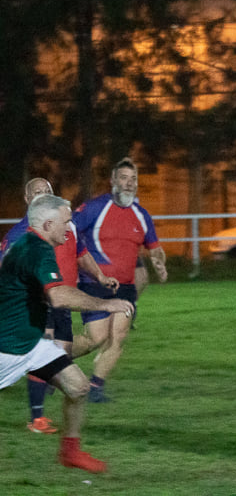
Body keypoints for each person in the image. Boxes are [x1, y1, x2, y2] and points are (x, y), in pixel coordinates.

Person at [0, 194, 135, 472]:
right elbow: (59, 296)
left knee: (78, 387)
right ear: (48, 224)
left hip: (32, 344)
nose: (70, 228)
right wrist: (106, 304)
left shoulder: (30, 244)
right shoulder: (36, 249)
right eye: (66, 222)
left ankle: (70, 452)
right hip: (8, 349)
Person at [73, 158, 168, 402]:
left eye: (133, 179)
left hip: (125, 287)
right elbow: (67, 232)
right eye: (124, 178)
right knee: (96, 338)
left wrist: (159, 261)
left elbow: (155, 247)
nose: (129, 183)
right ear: (113, 181)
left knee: (119, 335)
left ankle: (96, 387)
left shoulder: (141, 215)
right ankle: (53, 362)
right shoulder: (94, 208)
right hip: (95, 282)